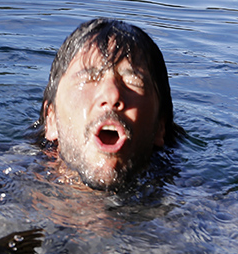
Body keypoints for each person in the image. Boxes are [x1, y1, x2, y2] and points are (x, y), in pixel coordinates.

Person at [38, 18, 180, 192]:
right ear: (51, 120)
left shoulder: (203, 210)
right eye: (90, 79)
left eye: (133, 81)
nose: (112, 95)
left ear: (160, 128)